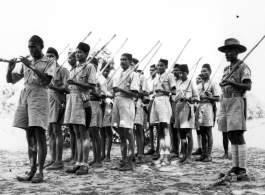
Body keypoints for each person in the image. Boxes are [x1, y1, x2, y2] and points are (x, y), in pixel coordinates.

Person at [6, 35, 55, 183]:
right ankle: (32, 169)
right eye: (29, 47)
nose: (31, 49)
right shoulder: (27, 61)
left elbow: (47, 80)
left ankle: (40, 172)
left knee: (39, 133)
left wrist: (30, 66)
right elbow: (11, 80)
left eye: (34, 46)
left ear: (42, 47)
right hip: (25, 96)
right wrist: (10, 69)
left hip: (40, 96)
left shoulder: (49, 61)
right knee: (29, 134)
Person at [218, 38, 251, 178]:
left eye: (230, 51)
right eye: (225, 51)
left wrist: (231, 82)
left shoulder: (243, 67)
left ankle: (242, 169)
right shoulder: (227, 69)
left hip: (236, 100)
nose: (227, 53)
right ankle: (235, 166)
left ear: (237, 52)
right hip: (225, 101)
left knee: (237, 133)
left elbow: (248, 86)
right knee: (230, 134)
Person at [64, 42, 96, 175]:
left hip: (82, 100)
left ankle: (85, 164)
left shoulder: (90, 67)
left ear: (86, 54)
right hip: (72, 100)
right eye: (76, 52)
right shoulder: (74, 68)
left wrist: (75, 82)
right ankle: (78, 162)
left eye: (80, 52)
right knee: (76, 132)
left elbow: (91, 86)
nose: (77, 54)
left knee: (83, 132)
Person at [111, 53, 139, 171]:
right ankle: (123, 161)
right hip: (117, 101)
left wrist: (121, 90)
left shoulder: (133, 74)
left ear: (130, 62)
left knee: (128, 132)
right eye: (121, 59)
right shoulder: (118, 75)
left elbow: (135, 94)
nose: (122, 61)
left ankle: (129, 163)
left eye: (125, 60)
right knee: (120, 132)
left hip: (127, 102)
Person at [44, 47, 70, 170]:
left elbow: (67, 88)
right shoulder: (46, 71)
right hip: (47, 102)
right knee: (49, 132)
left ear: (57, 57)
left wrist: (54, 87)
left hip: (58, 102)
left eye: (52, 56)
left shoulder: (63, 70)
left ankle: (59, 161)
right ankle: (53, 159)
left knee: (56, 131)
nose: (49, 58)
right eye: (47, 56)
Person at [150, 59, 176, 166]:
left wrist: (163, 91)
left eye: (161, 65)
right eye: (158, 65)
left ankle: (167, 155)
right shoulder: (156, 78)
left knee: (165, 129)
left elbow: (174, 91)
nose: (159, 67)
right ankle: (161, 154)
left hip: (164, 101)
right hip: (156, 101)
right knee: (158, 129)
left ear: (166, 66)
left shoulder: (169, 76)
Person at [174, 64, 199, 164]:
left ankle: (188, 156)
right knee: (182, 134)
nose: (181, 74)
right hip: (178, 107)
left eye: (183, 73)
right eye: (180, 73)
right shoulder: (178, 83)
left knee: (188, 133)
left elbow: (197, 98)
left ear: (187, 73)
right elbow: (175, 98)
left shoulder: (191, 83)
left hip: (187, 107)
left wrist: (189, 98)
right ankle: (183, 155)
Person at [195, 64, 219, 162]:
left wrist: (209, 97)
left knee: (208, 132)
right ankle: (203, 154)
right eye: (202, 71)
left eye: (205, 71)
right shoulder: (199, 85)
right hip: (200, 107)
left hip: (208, 107)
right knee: (202, 132)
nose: (203, 73)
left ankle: (209, 155)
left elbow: (217, 98)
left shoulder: (213, 83)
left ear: (210, 72)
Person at [88, 57, 107, 168]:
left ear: (95, 66)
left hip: (96, 105)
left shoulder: (100, 78)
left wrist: (93, 93)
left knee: (96, 132)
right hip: (88, 105)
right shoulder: (89, 77)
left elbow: (103, 95)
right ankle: (95, 158)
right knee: (91, 133)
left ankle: (99, 160)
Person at [132, 58, 150, 164]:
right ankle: (134, 152)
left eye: (133, 65)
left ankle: (140, 154)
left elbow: (146, 93)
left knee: (139, 129)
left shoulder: (141, 77)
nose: (131, 67)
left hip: (138, 104)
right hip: (128, 105)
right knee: (131, 130)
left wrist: (137, 92)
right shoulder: (125, 76)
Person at [63, 49, 78, 164]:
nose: (70, 60)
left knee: (77, 130)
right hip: (70, 100)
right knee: (71, 130)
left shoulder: (79, 70)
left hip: (77, 100)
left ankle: (77, 156)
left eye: (72, 57)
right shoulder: (70, 71)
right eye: (68, 58)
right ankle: (73, 155)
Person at [145, 64, 160, 160]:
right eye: (150, 70)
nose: (151, 72)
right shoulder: (148, 80)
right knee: (150, 125)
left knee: (157, 126)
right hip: (149, 102)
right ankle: (152, 148)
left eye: (153, 70)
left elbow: (155, 91)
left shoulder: (158, 79)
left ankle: (158, 149)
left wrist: (149, 92)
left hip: (157, 101)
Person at [101, 61, 114, 162]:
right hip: (99, 104)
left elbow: (112, 94)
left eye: (107, 71)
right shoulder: (98, 79)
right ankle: (102, 154)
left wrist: (105, 93)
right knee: (101, 131)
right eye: (104, 70)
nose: (105, 72)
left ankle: (108, 155)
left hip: (108, 105)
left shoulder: (111, 80)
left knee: (108, 130)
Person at [170, 64, 181, 159]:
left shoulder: (182, 82)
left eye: (177, 70)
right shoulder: (173, 80)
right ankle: (174, 148)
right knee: (172, 127)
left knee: (177, 128)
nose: (175, 72)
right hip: (171, 103)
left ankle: (178, 150)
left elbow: (176, 92)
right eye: (174, 70)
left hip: (178, 104)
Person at [192, 74, 203, 156]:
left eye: (199, 78)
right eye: (196, 78)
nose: (197, 80)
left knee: (202, 130)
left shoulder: (202, 87)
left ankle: (203, 148)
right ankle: (199, 147)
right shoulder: (196, 88)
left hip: (202, 108)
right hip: (196, 108)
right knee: (197, 130)